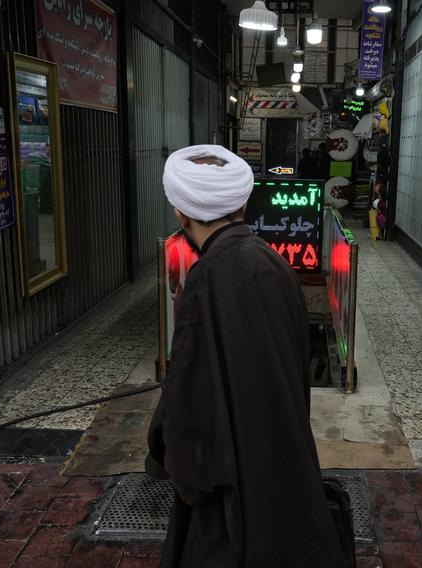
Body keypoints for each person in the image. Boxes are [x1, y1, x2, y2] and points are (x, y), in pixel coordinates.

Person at [147, 144, 345, 568]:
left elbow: (190, 404)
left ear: (181, 213)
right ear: (240, 202)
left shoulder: (206, 279)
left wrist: (166, 454)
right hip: (285, 467)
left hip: (232, 498)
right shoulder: (274, 263)